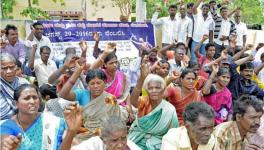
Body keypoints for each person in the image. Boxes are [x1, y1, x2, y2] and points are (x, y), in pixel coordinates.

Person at [0, 84, 82, 150]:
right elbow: (5, 143)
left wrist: (71, 131)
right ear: (15, 104)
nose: (32, 102)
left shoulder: (53, 121)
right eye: (27, 98)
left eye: (35, 98)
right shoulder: (8, 126)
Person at [59, 62, 128, 140]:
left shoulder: (110, 99)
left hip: (104, 137)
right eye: (92, 83)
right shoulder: (82, 94)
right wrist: (77, 73)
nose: (96, 86)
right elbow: (63, 94)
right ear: (88, 85)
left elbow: (115, 120)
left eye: (99, 83)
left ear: (105, 83)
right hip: (83, 136)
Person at [128, 58, 179, 150]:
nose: (154, 91)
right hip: (137, 140)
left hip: (159, 144)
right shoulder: (144, 102)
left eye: (157, 88)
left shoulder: (169, 109)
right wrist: (141, 80)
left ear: (163, 90)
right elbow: (133, 101)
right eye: (150, 88)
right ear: (146, 90)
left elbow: (173, 133)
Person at [71, 115, 141, 150]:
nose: (120, 145)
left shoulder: (132, 147)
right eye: (114, 140)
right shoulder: (94, 144)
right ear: (103, 140)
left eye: (123, 138)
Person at [0, 53, 29, 120]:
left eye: (12, 67)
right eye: (4, 68)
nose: (9, 71)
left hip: (23, 120)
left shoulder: (23, 83)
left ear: (16, 67)